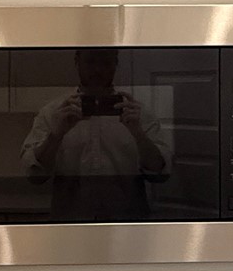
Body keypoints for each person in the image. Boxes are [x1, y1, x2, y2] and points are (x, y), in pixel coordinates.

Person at [19, 48, 170, 221]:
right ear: (77, 62)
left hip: (128, 225)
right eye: (90, 61)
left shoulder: (137, 113)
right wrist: (57, 134)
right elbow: (34, 175)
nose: (98, 70)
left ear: (115, 64)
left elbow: (160, 173)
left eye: (105, 63)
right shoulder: (53, 113)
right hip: (69, 225)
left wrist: (138, 134)